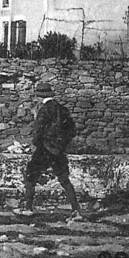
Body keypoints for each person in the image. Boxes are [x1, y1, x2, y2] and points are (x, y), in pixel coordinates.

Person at [15, 82, 82, 221]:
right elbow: (72, 130)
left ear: (39, 97)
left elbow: (38, 131)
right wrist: (61, 144)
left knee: (30, 175)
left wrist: (36, 144)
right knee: (64, 179)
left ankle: (28, 208)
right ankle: (77, 211)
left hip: (44, 149)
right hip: (58, 150)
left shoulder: (44, 109)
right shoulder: (63, 109)